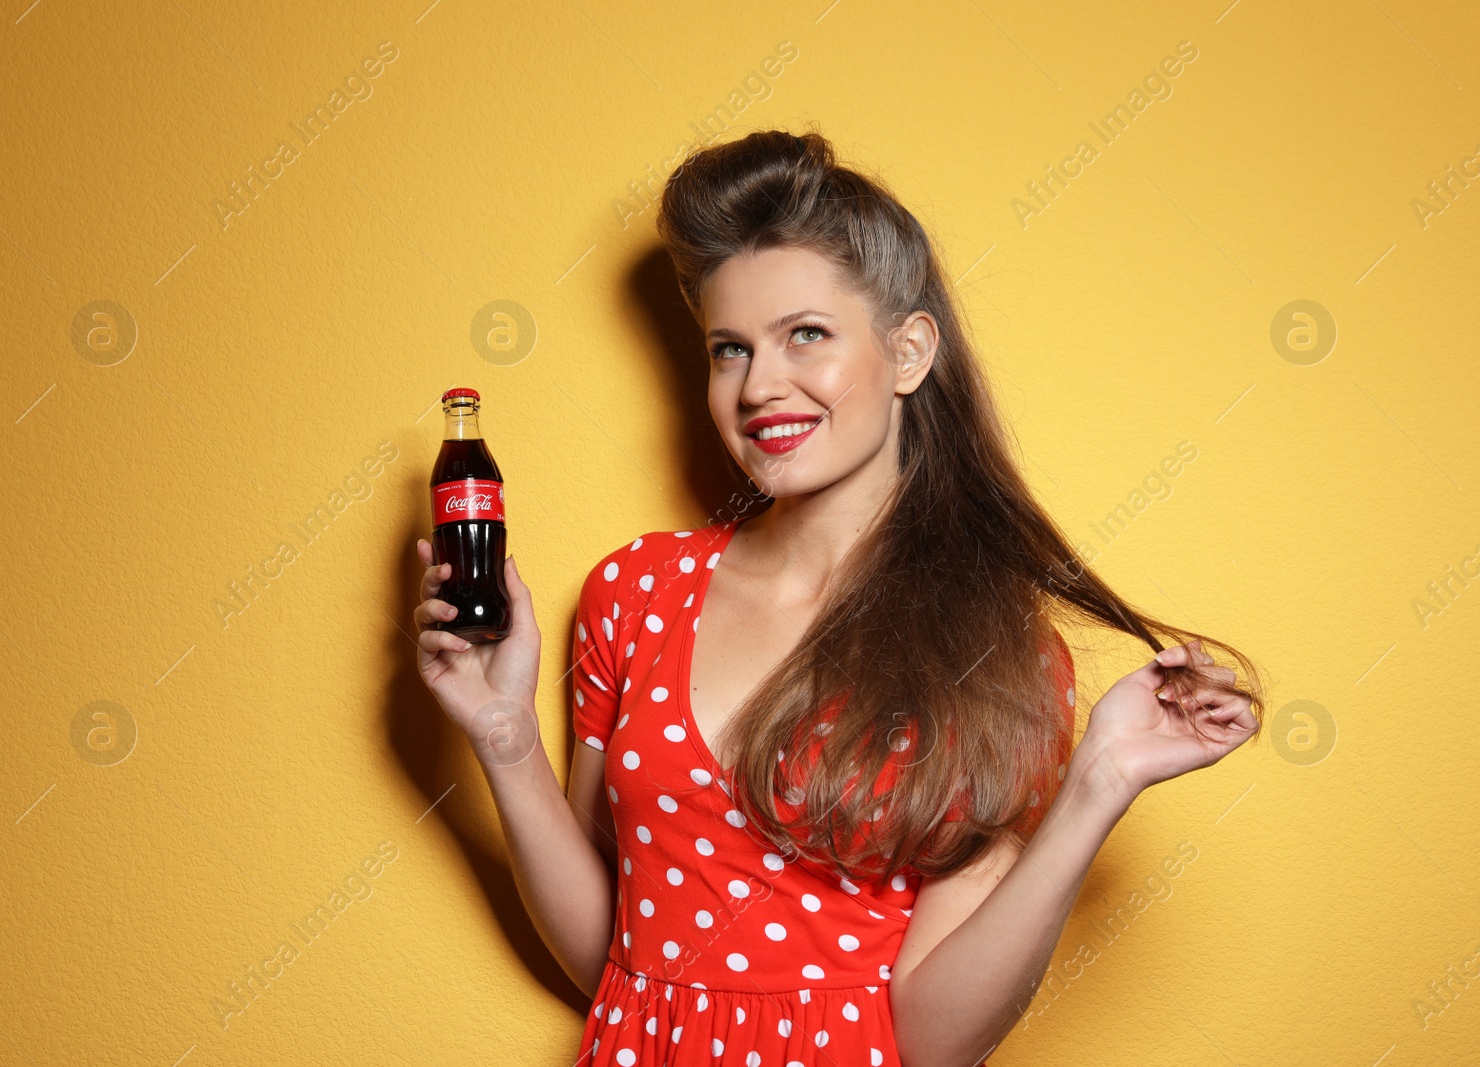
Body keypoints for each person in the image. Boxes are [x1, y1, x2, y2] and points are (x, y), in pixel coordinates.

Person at [412, 128, 1265, 1067]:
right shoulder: (634, 593)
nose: (759, 387)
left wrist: (1098, 783)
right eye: (728, 350)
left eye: (804, 336)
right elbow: (615, 957)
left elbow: (935, 1040)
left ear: (908, 352)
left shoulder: (996, 649)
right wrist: (503, 737)